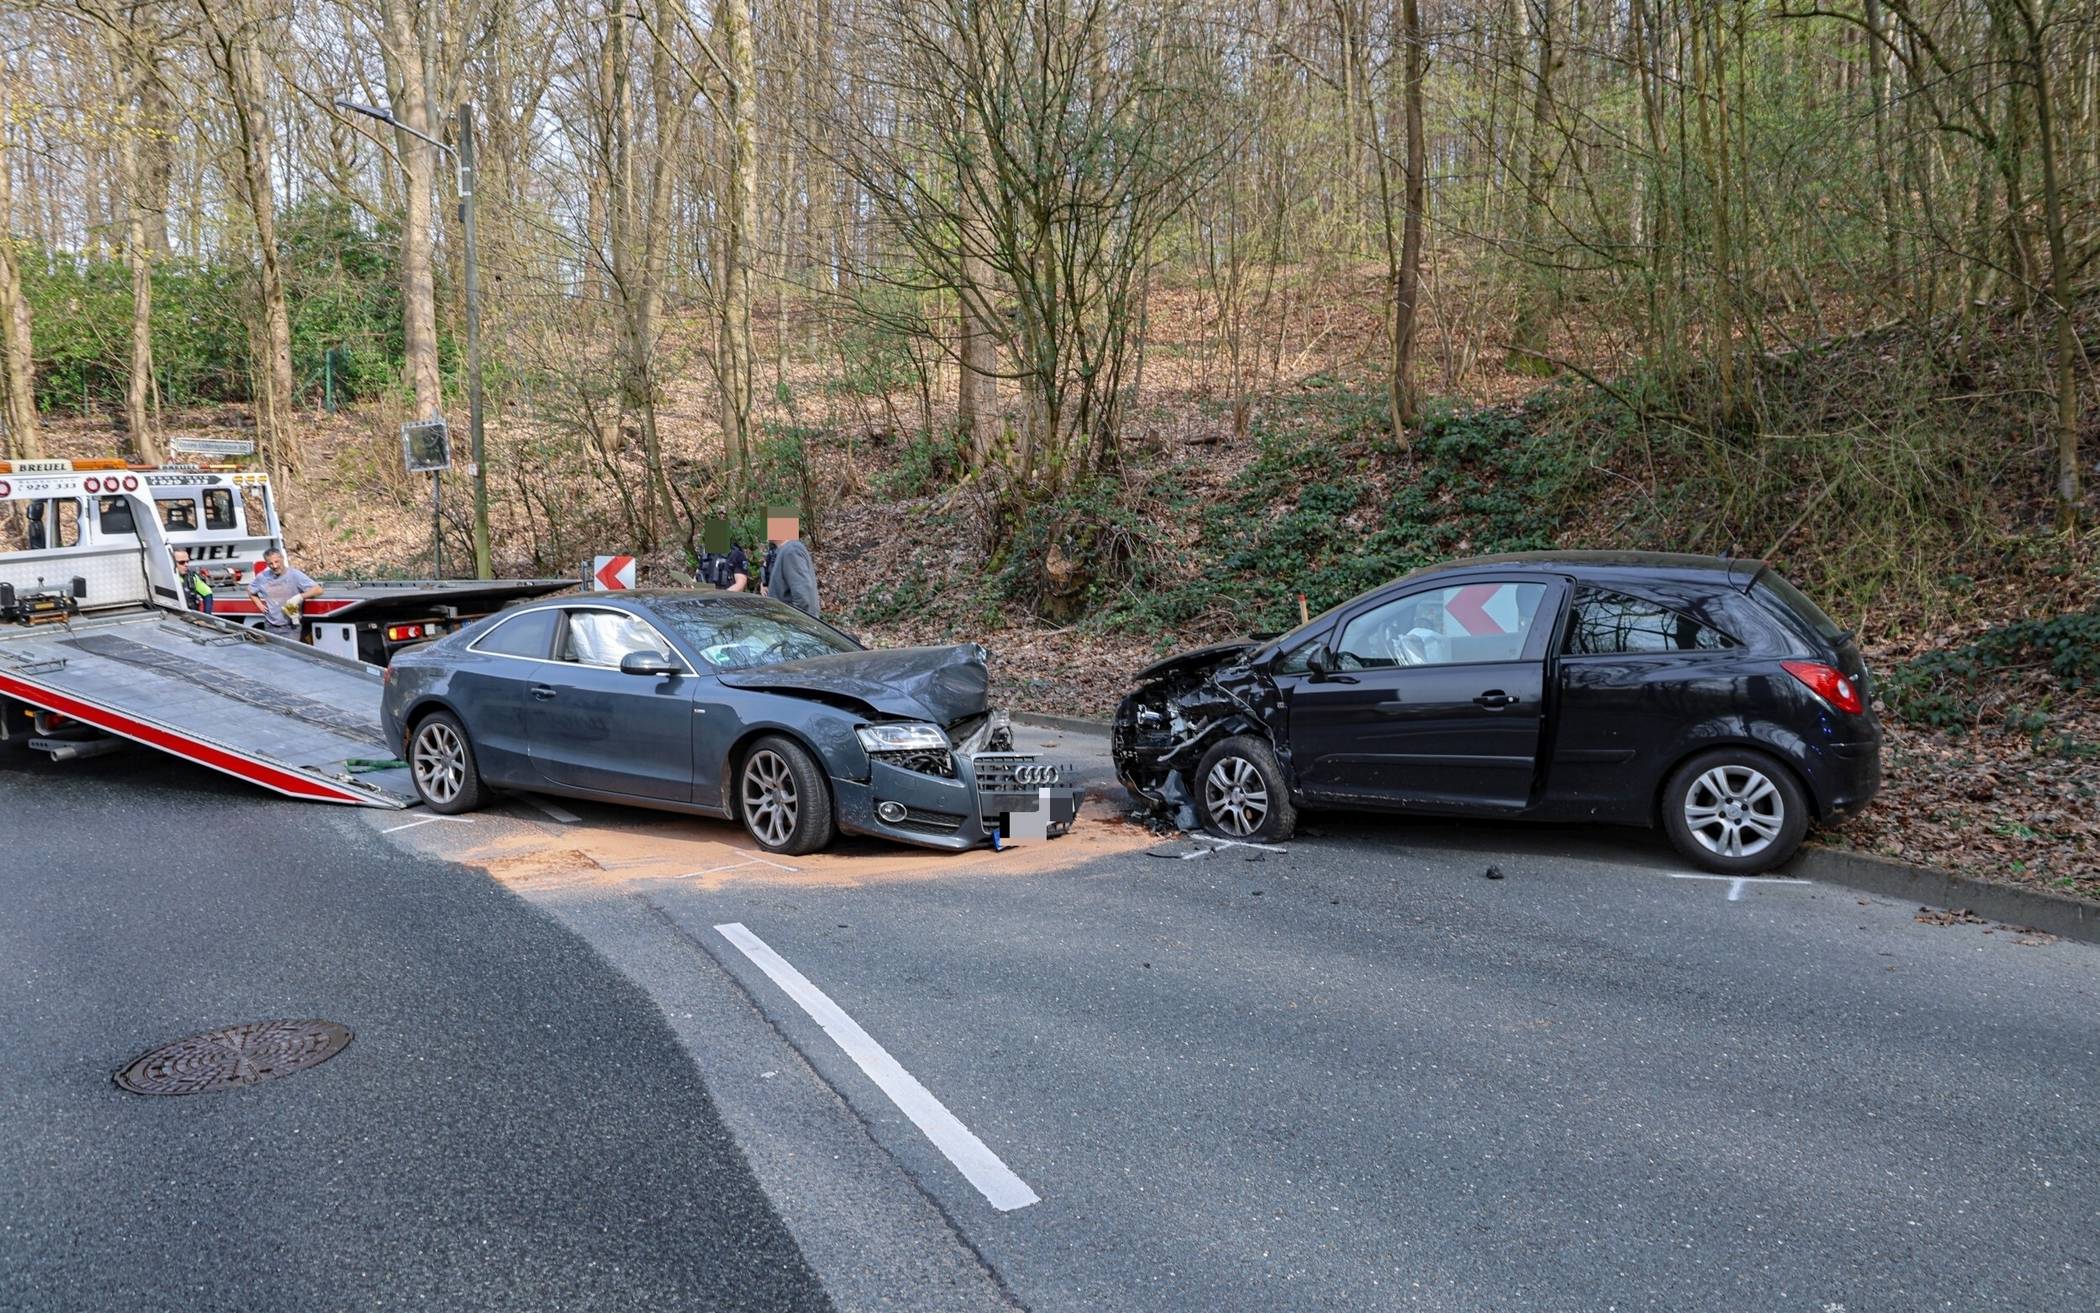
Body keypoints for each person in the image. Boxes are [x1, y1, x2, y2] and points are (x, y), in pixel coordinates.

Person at [248, 547, 322, 638]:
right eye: (270, 563)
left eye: (277, 561)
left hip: (291, 628)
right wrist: (259, 605)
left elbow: (318, 590)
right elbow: (250, 590)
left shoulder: (294, 574)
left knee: (291, 648)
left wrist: (299, 597)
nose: (274, 566)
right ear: (266, 563)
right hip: (270, 626)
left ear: (282, 558)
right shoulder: (263, 577)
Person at [765, 536, 821, 618]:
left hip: (796, 624)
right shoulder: (783, 550)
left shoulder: (791, 550)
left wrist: (787, 618)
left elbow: (803, 596)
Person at [171, 549, 215, 614]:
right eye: (182, 562)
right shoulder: (165, 578)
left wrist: (207, 615)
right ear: (172, 562)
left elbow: (207, 593)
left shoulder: (192, 577)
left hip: (191, 616)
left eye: (187, 561)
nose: (186, 565)